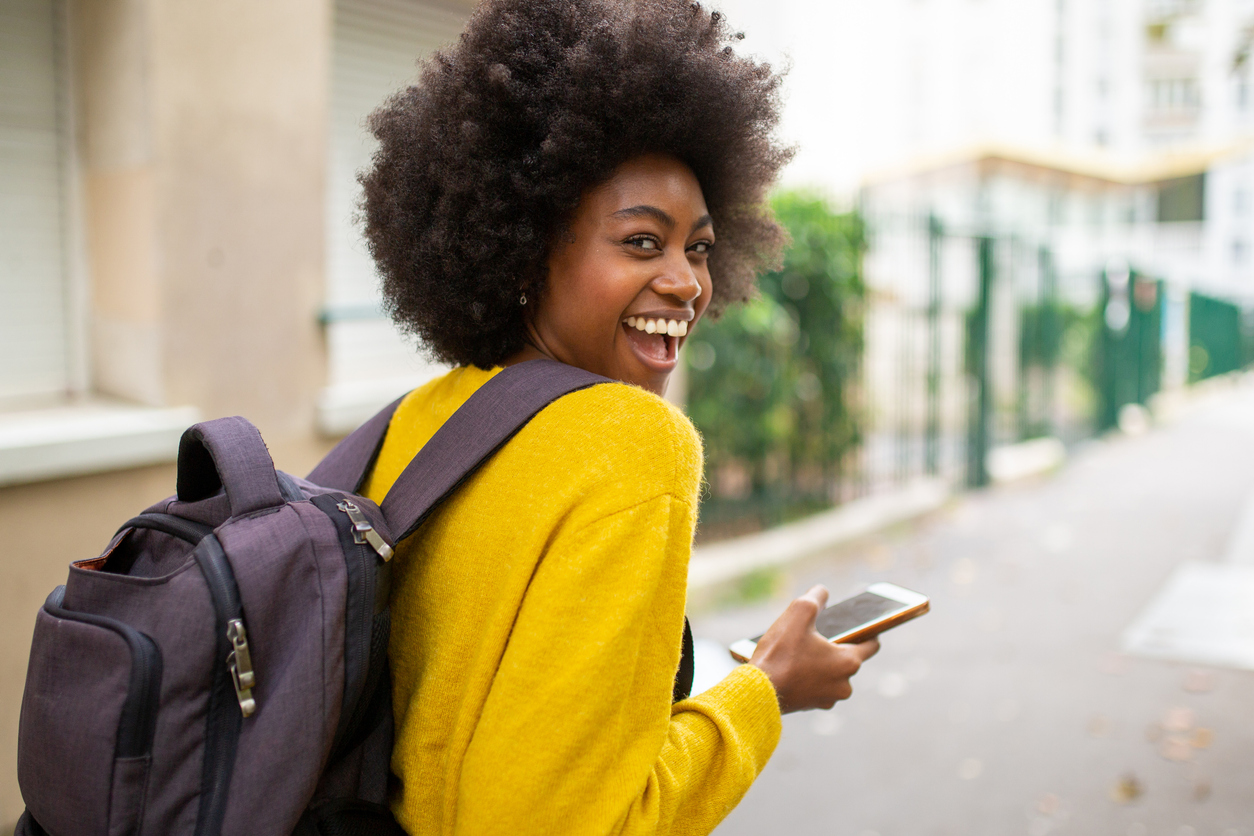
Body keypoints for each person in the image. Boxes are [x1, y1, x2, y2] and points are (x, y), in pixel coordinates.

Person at [358, 1, 880, 833]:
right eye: (642, 242)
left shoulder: (421, 419)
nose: (686, 283)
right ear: (528, 249)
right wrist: (767, 694)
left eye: (699, 247)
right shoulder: (632, 445)